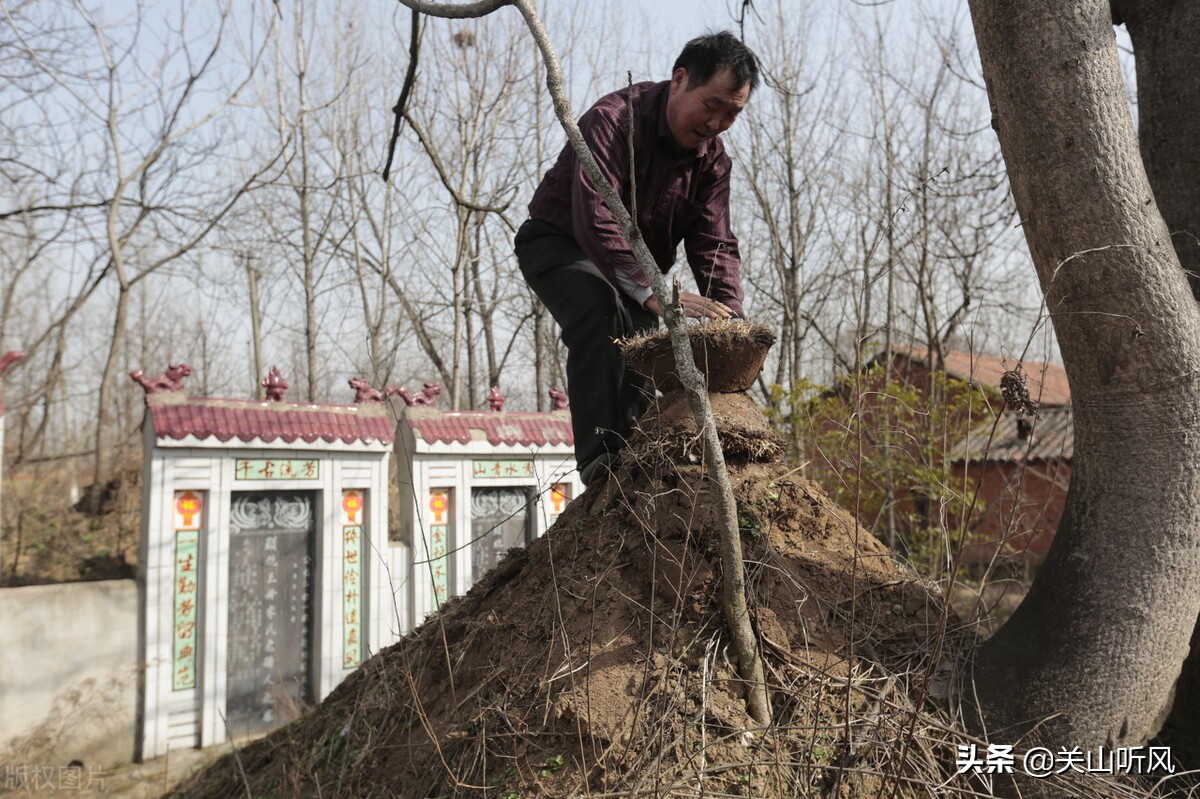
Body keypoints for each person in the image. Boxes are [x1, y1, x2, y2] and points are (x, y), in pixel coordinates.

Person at [515, 31, 760, 486]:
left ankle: (641, 459)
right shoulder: (612, 121)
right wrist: (653, 293)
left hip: (635, 274)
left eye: (733, 114)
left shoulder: (713, 163)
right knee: (601, 311)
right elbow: (595, 215)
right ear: (680, 78)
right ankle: (601, 461)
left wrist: (732, 324)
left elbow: (716, 244)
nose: (718, 123)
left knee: (645, 346)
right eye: (712, 105)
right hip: (559, 242)